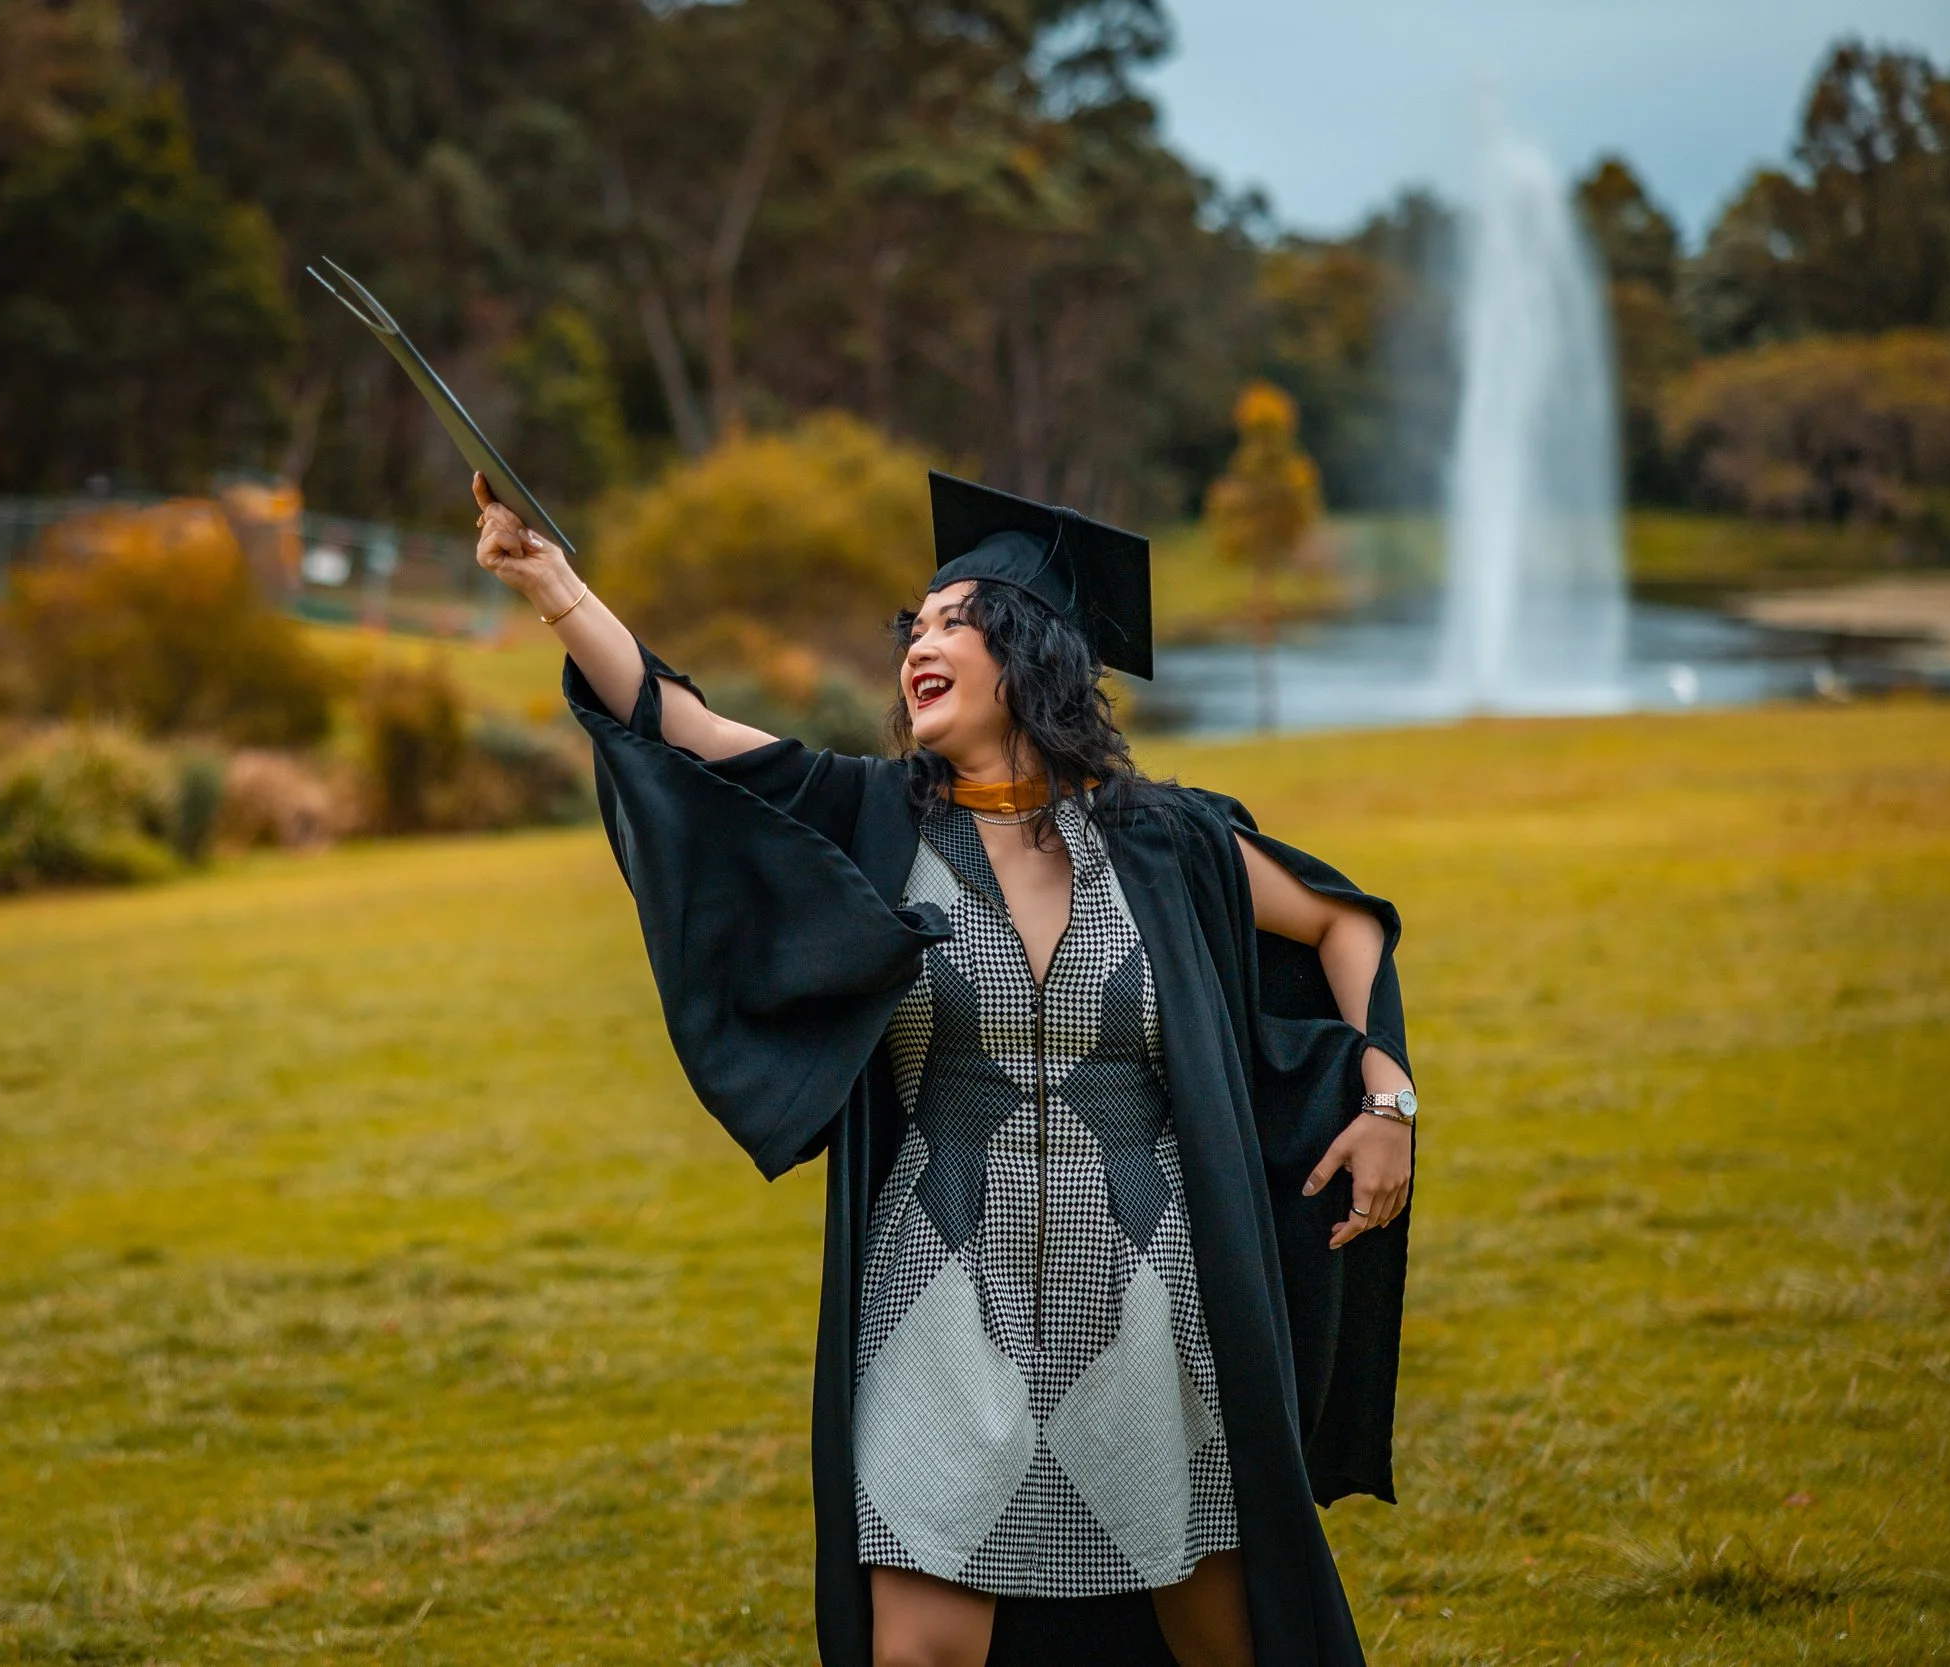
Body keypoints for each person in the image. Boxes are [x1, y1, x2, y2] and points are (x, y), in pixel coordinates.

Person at [472, 468, 1418, 1667]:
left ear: (1032, 654)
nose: (920, 641)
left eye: (954, 620)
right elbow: (681, 725)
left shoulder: (1167, 841)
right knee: (915, 1642)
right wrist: (554, 585)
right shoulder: (872, 817)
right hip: (937, 1286)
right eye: (911, 628)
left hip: (1148, 1287)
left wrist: (1387, 1097)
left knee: (1216, 1633)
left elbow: (1347, 921)